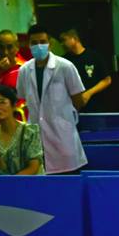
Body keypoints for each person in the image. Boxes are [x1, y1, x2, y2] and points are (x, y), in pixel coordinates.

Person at [17, 24, 87, 174]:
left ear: (50, 43)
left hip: (63, 136)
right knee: (41, 180)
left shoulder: (65, 66)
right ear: (29, 45)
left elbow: (78, 100)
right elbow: (22, 96)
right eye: (34, 43)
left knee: (67, 180)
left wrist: (63, 117)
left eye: (42, 42)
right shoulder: (24, 70)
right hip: (36, 137)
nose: (38, 46)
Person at [0, 86, 45, 175]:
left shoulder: (30, 131)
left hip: (31, 183)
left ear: (14, 105)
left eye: (2, 102)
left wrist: (10, 182)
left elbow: (33, 167)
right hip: (3, 184)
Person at [60, 28, 112, 113]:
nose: (62, 44)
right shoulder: (63, 61)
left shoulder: (94, 56)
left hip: (95, 108)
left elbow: (107, 80)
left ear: (74, 38)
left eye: (64, 40)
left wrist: (89, 93)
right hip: (71, 109)